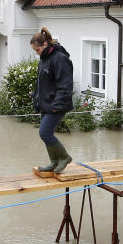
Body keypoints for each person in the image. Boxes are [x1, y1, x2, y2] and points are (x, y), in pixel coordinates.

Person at [30, 27, 73, 173]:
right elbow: (42, 81)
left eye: (37, 50)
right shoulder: (44, 59)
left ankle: (64, 157)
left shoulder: (60, 59)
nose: (36, 53)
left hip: (57, 105)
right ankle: (54, 163)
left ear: (45, 45)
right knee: (46, 134)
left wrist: (58, 104)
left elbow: (65, 85)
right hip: (45, 103)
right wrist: (35, 94)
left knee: (44, 133)